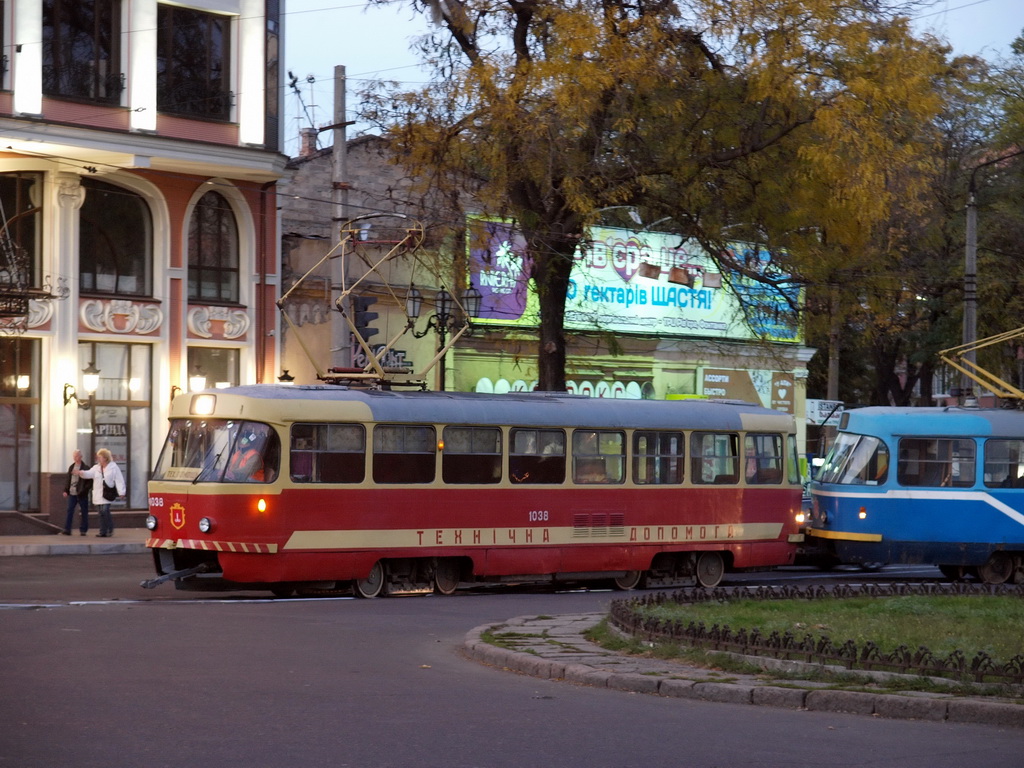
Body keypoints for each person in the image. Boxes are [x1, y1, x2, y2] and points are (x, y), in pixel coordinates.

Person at [75, 449, 126, 538]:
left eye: (100, 457)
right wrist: (81, 473)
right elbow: (89, 474)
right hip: (98, 493)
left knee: (105, 511)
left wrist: (121, 491)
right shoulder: (96, 468)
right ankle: (103, 531)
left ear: (105, 458)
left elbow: (119, 479)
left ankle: (109, 529)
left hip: (107, 493)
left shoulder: (113, 467)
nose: (98, 459)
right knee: (101, 513)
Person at [60, 449, 92, 536]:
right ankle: (67, 529)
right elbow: (68, 480)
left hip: (81, 493)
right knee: (70, 510)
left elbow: (89, 482)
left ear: (81, 457)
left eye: (77, 456)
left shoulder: (86, 468)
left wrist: (84, 490)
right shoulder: (71, 467)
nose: (75, 458)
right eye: (74, 456)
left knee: (84, 511)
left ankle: (83, 530)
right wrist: (66, 490)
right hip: (72, 493)